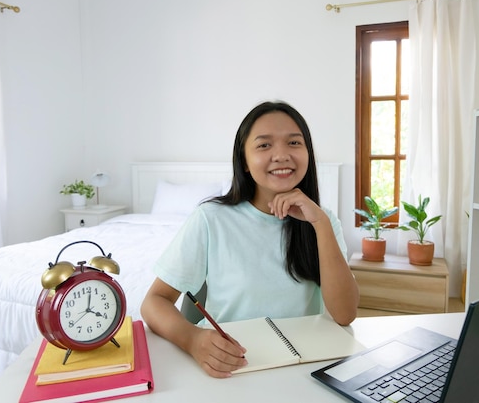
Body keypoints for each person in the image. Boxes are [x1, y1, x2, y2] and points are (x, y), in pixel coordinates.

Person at [141, 100, 359, 378]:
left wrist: (321, 224)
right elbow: (154, 301)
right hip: (236, 368)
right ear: (244, 161)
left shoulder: (323, 220)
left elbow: (344, 315)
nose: (281, 155)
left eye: (294, 143)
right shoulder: (211, 218)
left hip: (306, 368)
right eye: (264, 145)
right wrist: (193, 339)